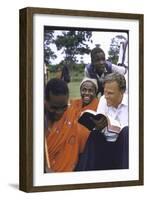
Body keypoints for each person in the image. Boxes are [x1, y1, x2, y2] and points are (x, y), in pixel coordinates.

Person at [75, 72, 128, 171]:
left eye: (110, 93)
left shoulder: (133, 103)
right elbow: (99, 118)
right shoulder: (103, 100)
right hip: (106, 146)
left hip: (123, 148)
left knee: (127, 132)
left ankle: (127, 176)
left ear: (122, 91)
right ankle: (84, 174)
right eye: (105, 92)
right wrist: (98, 126)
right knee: (95, 134)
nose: (106, 96)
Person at [44, 78, 90, 172]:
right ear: (45, 101)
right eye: (54, 108)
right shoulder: (34, 121)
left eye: (63, 107)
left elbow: (84, 134)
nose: (59, 112)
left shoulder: (71, 115)